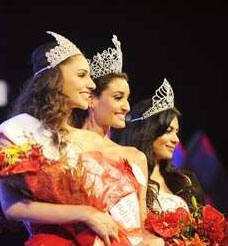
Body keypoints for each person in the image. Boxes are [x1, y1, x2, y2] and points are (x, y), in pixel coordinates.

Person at [0, 31, 150, 246]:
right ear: (55, 78)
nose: (92, 84)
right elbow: (12, 207)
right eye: (82, 75)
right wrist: (85, 214)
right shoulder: (19, 131)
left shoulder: (90, 141)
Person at [72, 34, 164, 245]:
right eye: (118, 97)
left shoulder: (135, 157)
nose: (127, 107)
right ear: (92, 100)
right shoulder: (70, 146)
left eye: (127, 98)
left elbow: (140, 225)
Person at [117, 79, 204, 213]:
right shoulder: (127, 178)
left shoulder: (184, 181)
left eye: (176, 132)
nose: (176, 140)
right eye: (168, 131)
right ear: (149, 132)